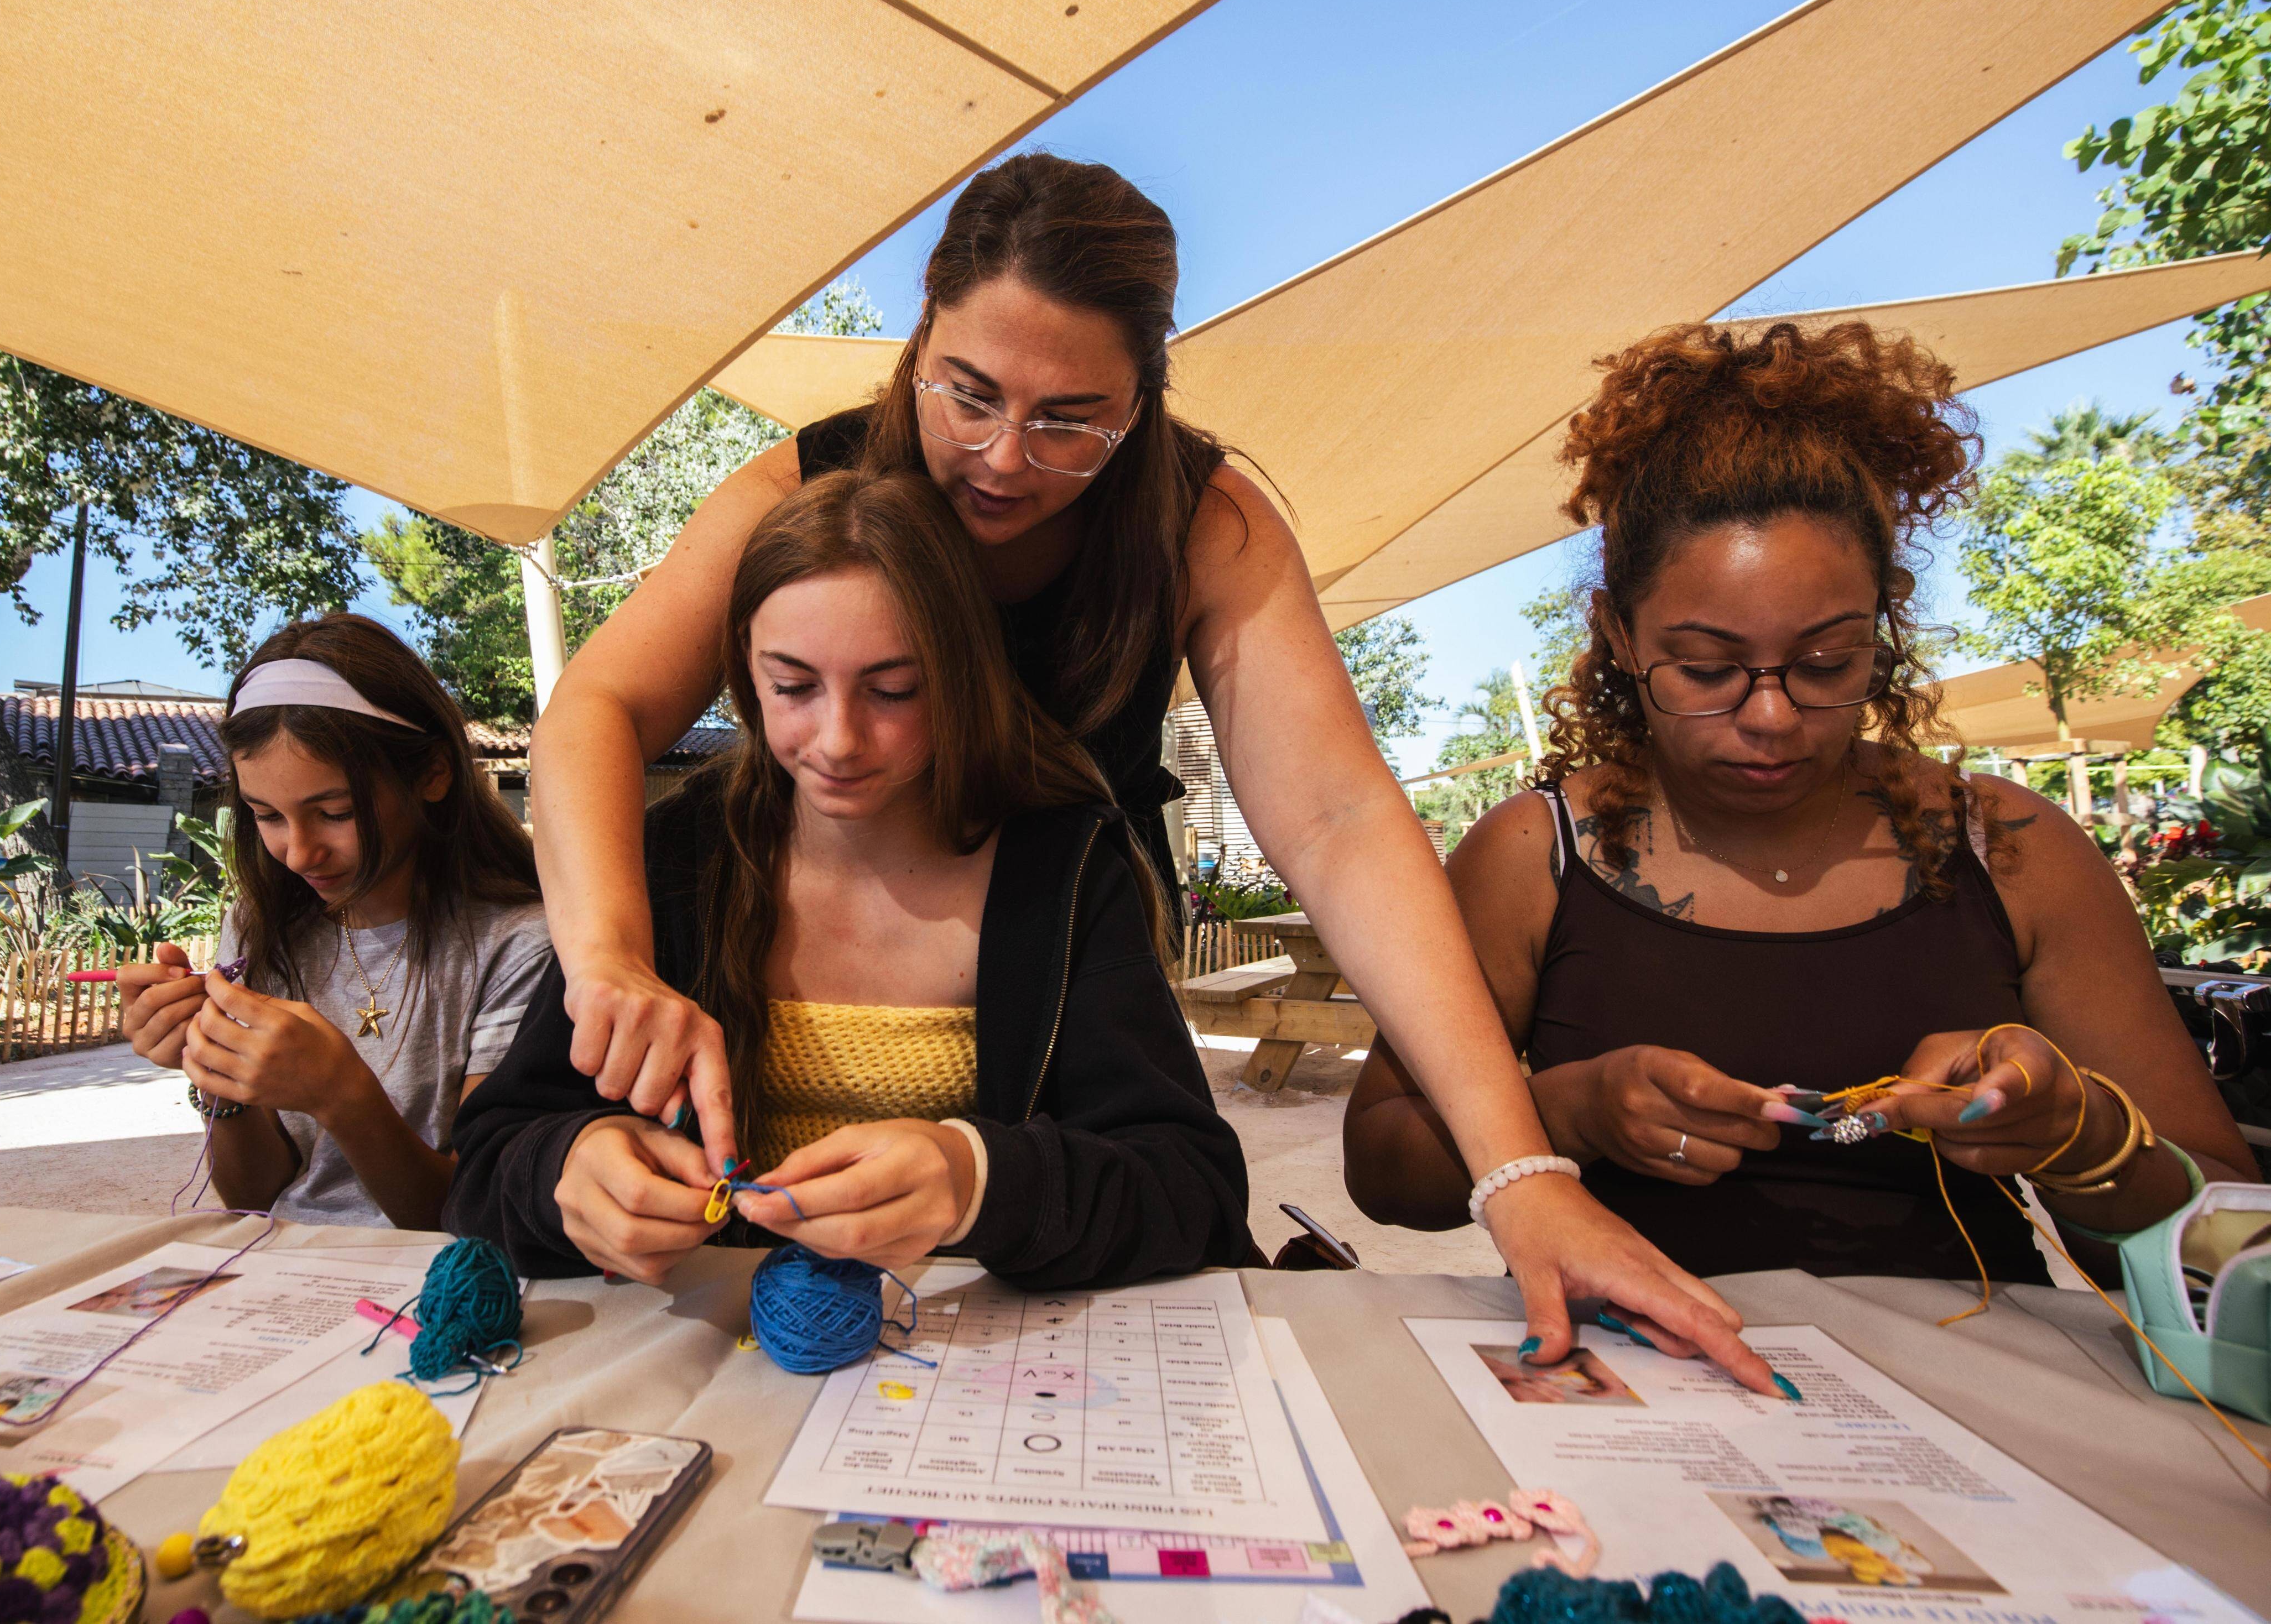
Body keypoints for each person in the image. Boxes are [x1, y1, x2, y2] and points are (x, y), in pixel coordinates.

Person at [528, 151, 1773, 1382]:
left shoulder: (1202, 521)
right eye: (964, 392)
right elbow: (596, 703)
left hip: (1065, 954)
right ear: (915, 347)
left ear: (1144, 401)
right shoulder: (799, 490)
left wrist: (1518, 1175)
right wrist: (611, 962)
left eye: (1071, 420)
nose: (1005, 457)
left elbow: (1338, 820)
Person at [1342, 320, 2256, 1281]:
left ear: (1885, 621)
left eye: (1829, 661)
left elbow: (2226, 1222)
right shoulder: (1537, 856)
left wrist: (2081, 1134)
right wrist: (1573, 1112)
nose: (1773, 715)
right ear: (1617, 632)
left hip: (1969, 1387)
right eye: (1706, 668)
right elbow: (1384, 1166)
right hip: (1632, 1388)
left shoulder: (2014, 850)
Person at [449, 470, 1248, 1289]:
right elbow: (482, 1171)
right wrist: (568, 1171)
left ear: (963, 678)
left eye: (894, 689)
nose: (838, 740)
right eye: (792, 686)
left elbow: (1195, 1190)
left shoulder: (1065, 874)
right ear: (743, 674)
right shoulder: (673, 861)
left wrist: (978, 1178)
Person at [119, 615, 552, 1228]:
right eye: (266, 815)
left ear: (431, 773)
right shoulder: (261, 925)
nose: (298, 854)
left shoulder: (519, 944)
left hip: (439, 1282)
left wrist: (342, 1094)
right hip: (288, 1273)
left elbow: (468, 1212)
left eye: (334, 811)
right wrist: (215, 1073)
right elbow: (255, 1198)